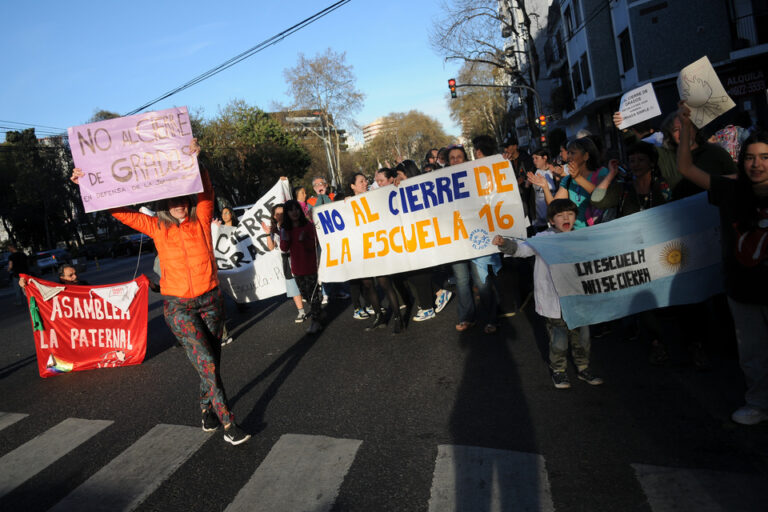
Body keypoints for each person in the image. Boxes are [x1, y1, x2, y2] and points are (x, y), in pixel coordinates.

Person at [71, 139, 251, 446]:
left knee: (211, 362)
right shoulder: (157, 227)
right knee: (206, 362)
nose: (179, 203)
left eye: (182, 197)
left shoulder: (202, 217)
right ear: (163, 205)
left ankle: (206, 409)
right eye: (171, 200)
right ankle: (228, 422)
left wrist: (198, 161)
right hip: (178, 307)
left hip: (211, 301)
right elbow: (120, 211)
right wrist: (87, 184)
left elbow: (206, 190)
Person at [677, 101, 768, 425]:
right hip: (742, 289)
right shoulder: (730, 190)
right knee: (752, 354)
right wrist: (687, 125)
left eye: (764, 158)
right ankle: (758, 403)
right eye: (750, 157)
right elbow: (687, 168)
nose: (757, 164)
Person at [492, 199, 604, 389]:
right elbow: (522, 250)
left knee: (582, 337)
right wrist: (505, 244)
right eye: (560, 215)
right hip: (555, 300)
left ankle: (583, 367)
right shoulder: (543, 238)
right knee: (559, 339)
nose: (565, 218)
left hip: (578, 299)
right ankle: (559, 371)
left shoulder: (582, 237)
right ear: (552, 221)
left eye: (569, 214)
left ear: (575, 217)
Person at [447, 145, 501, 333]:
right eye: (452, 158)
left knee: (481, 280)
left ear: (466, 158)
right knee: (461, 281)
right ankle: (467, 317)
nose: (455, 160)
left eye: (459, 157)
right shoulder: (442, 182)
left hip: (478, 237)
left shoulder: (476, 177)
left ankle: (492, 317)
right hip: (456, 240)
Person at [348, 172, 403, 333]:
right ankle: (379, 316)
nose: (365, 183)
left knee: (384, 282)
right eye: (361, 181)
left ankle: (398, 317)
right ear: (352, 186)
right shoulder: (347, 203)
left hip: (378, 246)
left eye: (365, 180)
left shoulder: (375, 196)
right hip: (361, 249)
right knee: (367, 284)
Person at [531, 137, 609, 230]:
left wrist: (577, 178)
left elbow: (599, 195)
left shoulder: (602, 172)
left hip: (599, 230)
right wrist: (545, 187)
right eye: (568, 153)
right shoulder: (568, 180)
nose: (568, 157)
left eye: (573, 153)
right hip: (576, 232)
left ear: (586, 156)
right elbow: (554, 205)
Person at [280, 199, 323, 334]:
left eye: (296, 209)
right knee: (306, 295)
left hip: (310, 266)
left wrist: (305, 240)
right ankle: (319, 314)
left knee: (313, 295)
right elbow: (283, 248)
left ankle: (315, 322)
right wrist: (286, 238)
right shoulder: (285, 229)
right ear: (287, 213)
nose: (295, 212)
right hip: (297, 268)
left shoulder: (308, 226)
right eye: (291, 210)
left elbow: (314, 245)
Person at [262, 203, 308, 323]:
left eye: (282, 213)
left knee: (305, 283)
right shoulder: (274, 228)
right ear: (273, 216)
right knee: (293, 286)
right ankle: (301, 312)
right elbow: (271, 247)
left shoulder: (293, 224)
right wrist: (268, 233)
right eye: (277, 214)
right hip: (286, 259)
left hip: (298, 256)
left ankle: (315, 306)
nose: (280, 216)